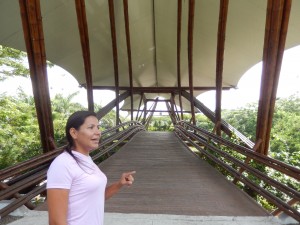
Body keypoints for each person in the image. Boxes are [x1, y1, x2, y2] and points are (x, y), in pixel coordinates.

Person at [46, 110, 135, 225]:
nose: (98, 132)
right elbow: (56, 222)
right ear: (74, 133)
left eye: (98, 127)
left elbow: (96, 197)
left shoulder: (86, 160)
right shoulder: (62, 164)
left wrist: (119, 184)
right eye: (91, 127)